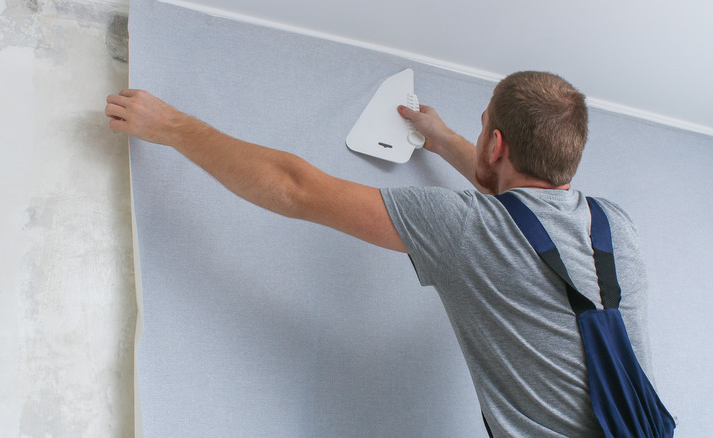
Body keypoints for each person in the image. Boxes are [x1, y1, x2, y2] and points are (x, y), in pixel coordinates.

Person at [105, 71, 655, 436]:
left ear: (496, 144)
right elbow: (522, 207)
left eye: (484, 123)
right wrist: (439, 140)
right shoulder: (617, 226)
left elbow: (296, 187)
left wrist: (174, 127)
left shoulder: (467, 227)